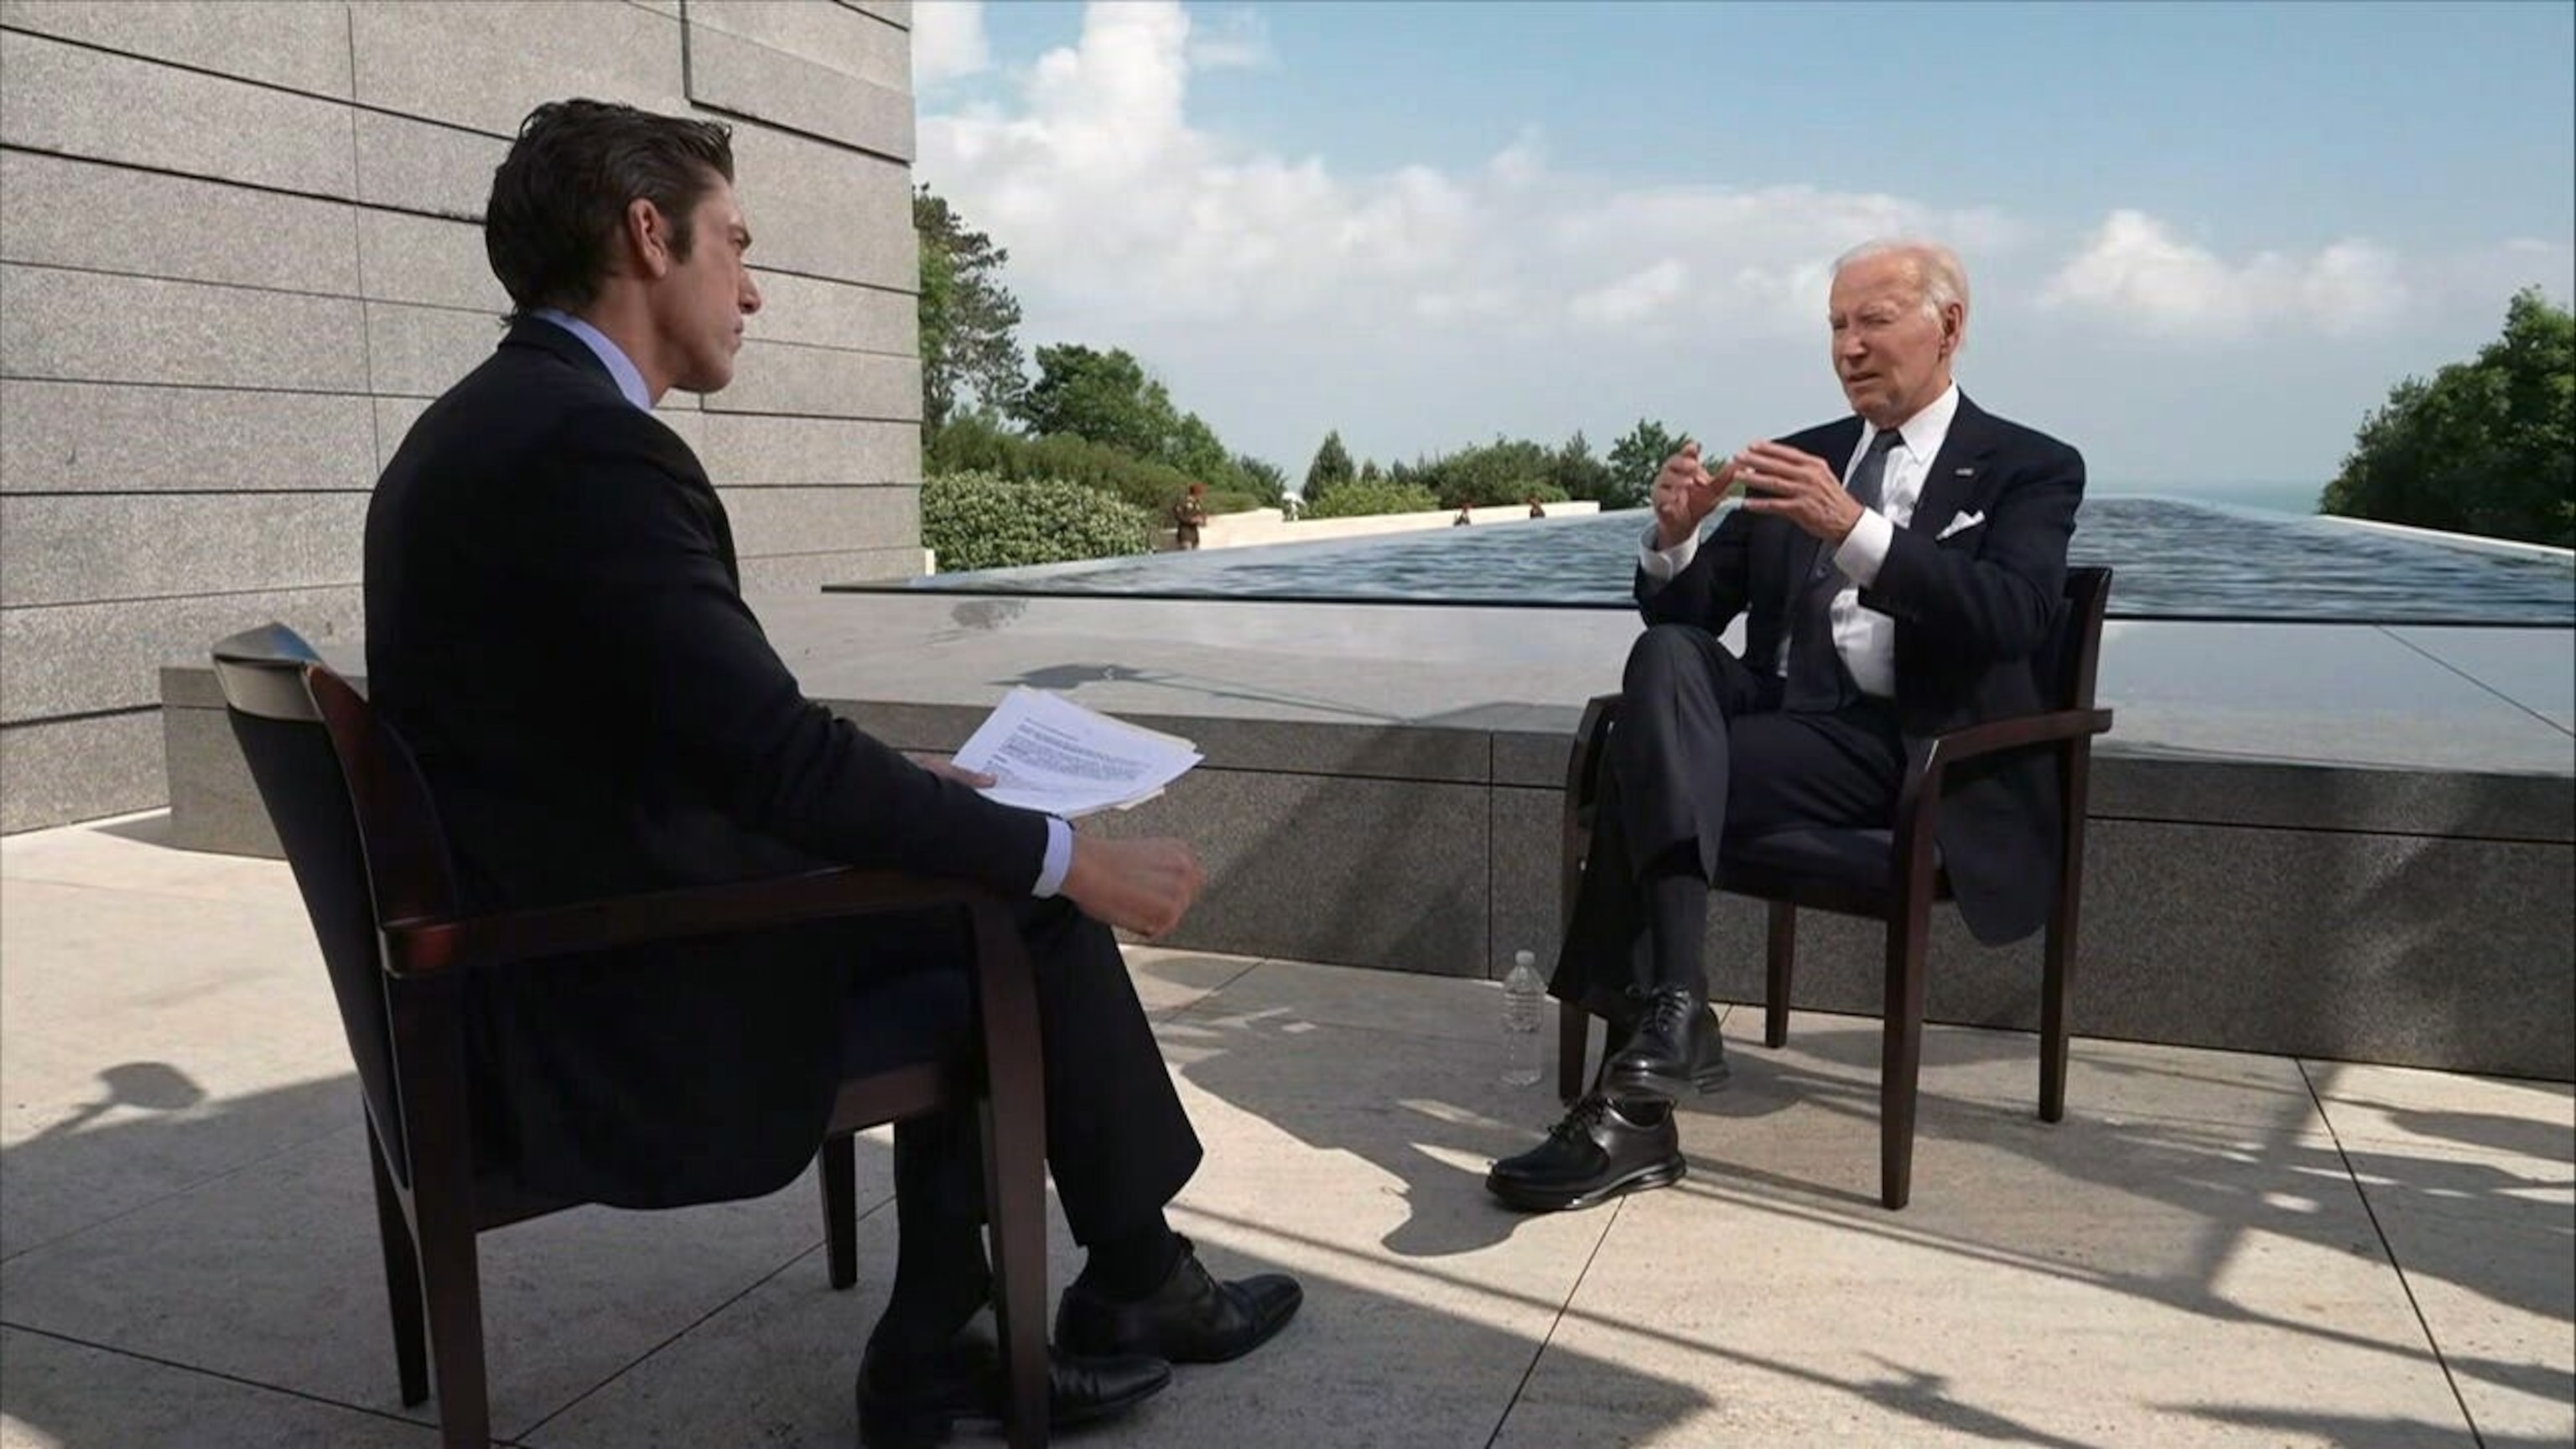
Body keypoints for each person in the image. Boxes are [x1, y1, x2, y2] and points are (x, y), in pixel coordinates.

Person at [363, 100, 1300, 1441]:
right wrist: (1079, 859)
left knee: (959, 866)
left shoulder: (485, 426)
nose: (750, 289)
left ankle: (1000, 1308)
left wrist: (902, 784)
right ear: (646, 235)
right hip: (605, 1007)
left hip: (527, 953)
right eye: (732, 245)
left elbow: (685, 725)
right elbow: (768, 761)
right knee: (1019, 902)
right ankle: (1092, 1291)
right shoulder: (590, 452)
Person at [1485, 239, 2084, 1213]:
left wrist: (1852, 528)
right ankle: (1677, 1008)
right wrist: (1675, 540)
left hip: (1911, 751)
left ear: (1950, 328)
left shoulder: (2029, 467)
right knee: (1666, 670)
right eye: (1837, 327)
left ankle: (1628, 1110)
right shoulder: (1798, 458)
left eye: (1873, 321)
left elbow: (2013, 614)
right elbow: (1684, 619)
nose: (1849, 347)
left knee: (1641, 764)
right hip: (1790, 727)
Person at [1172, 482, 1210, 549]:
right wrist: (1191, 520)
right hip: (1185, 534)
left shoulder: (1197, 503)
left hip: (1195, 535)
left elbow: (1201, 514)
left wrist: (1202, 520)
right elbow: (1178, 516)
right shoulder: (1183, 502)